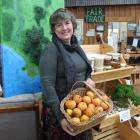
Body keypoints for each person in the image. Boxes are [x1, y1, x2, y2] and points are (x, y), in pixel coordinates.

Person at [39, 8, 94, 140]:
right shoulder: (51, 49)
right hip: (59, 111)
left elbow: (83, 71)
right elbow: (47, 85)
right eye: (59, 25)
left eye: (67, 23)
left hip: (80, 107)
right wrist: (61, 117)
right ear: (54, 29)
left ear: (73, 25)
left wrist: (89, 80)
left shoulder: (76, 46)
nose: (64, 28)